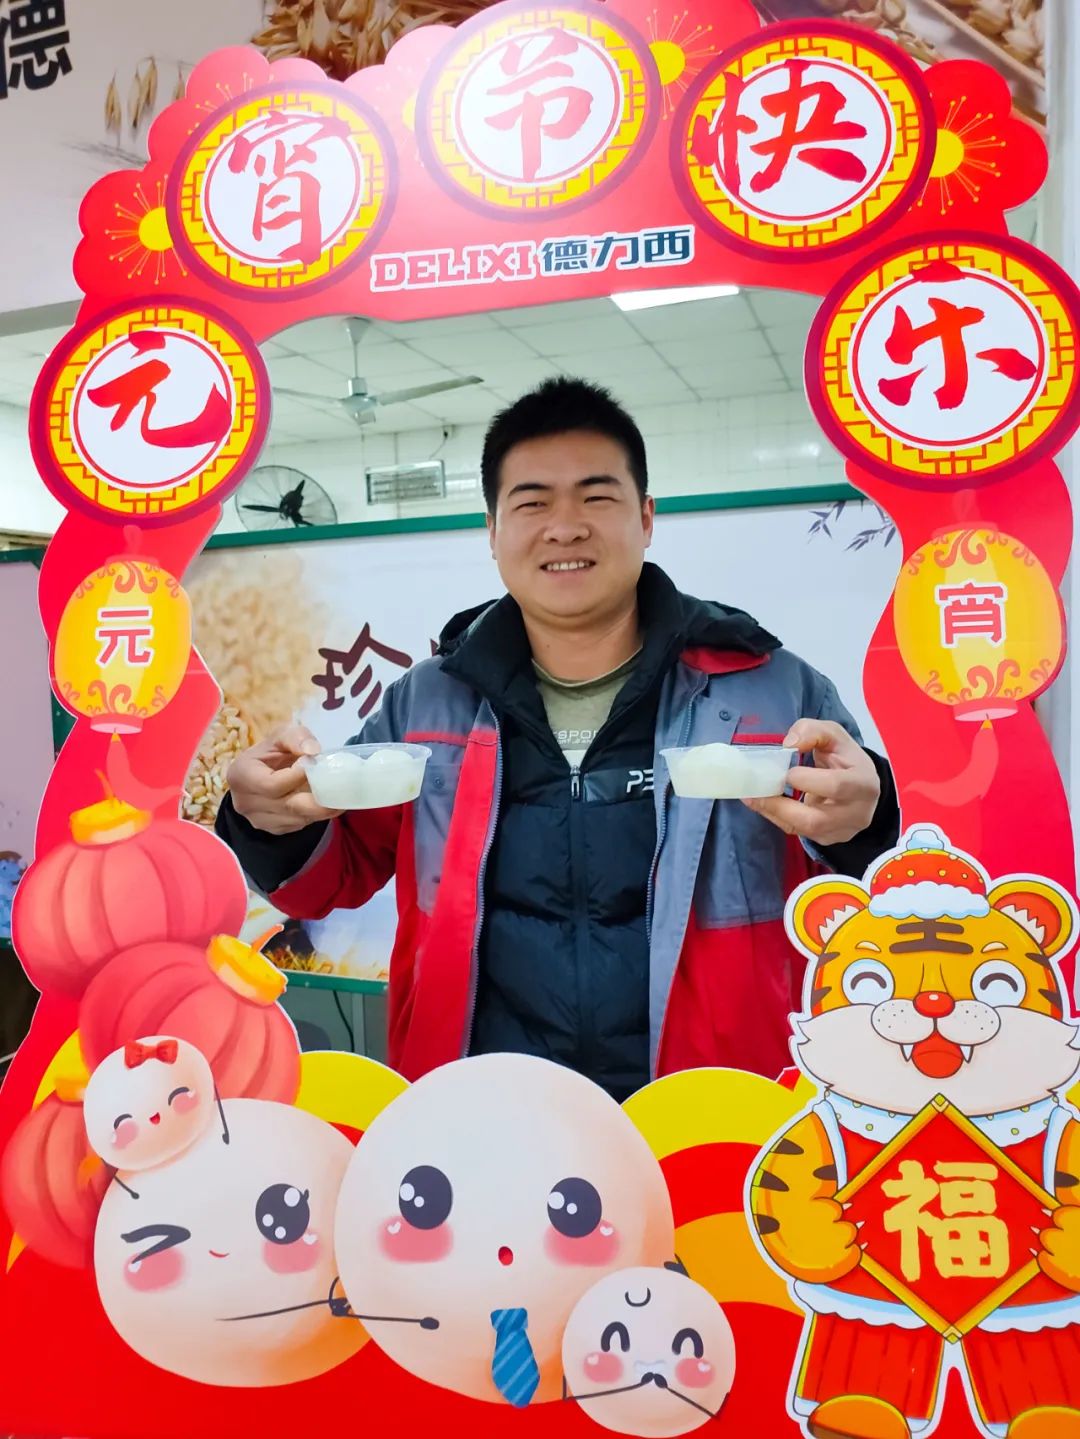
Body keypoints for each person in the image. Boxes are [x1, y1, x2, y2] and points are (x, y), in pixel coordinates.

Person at [216, 377, 899, 1102]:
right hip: (481, 1107)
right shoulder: (430, 700)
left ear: (646, 517)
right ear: (492, 530)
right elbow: (332, 877)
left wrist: (868, 824)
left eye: (596, 497)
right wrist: (269, 820)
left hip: (709, 1111)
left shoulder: (772, 690)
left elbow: (869, 898)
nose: (565, 527)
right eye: (533, 502)